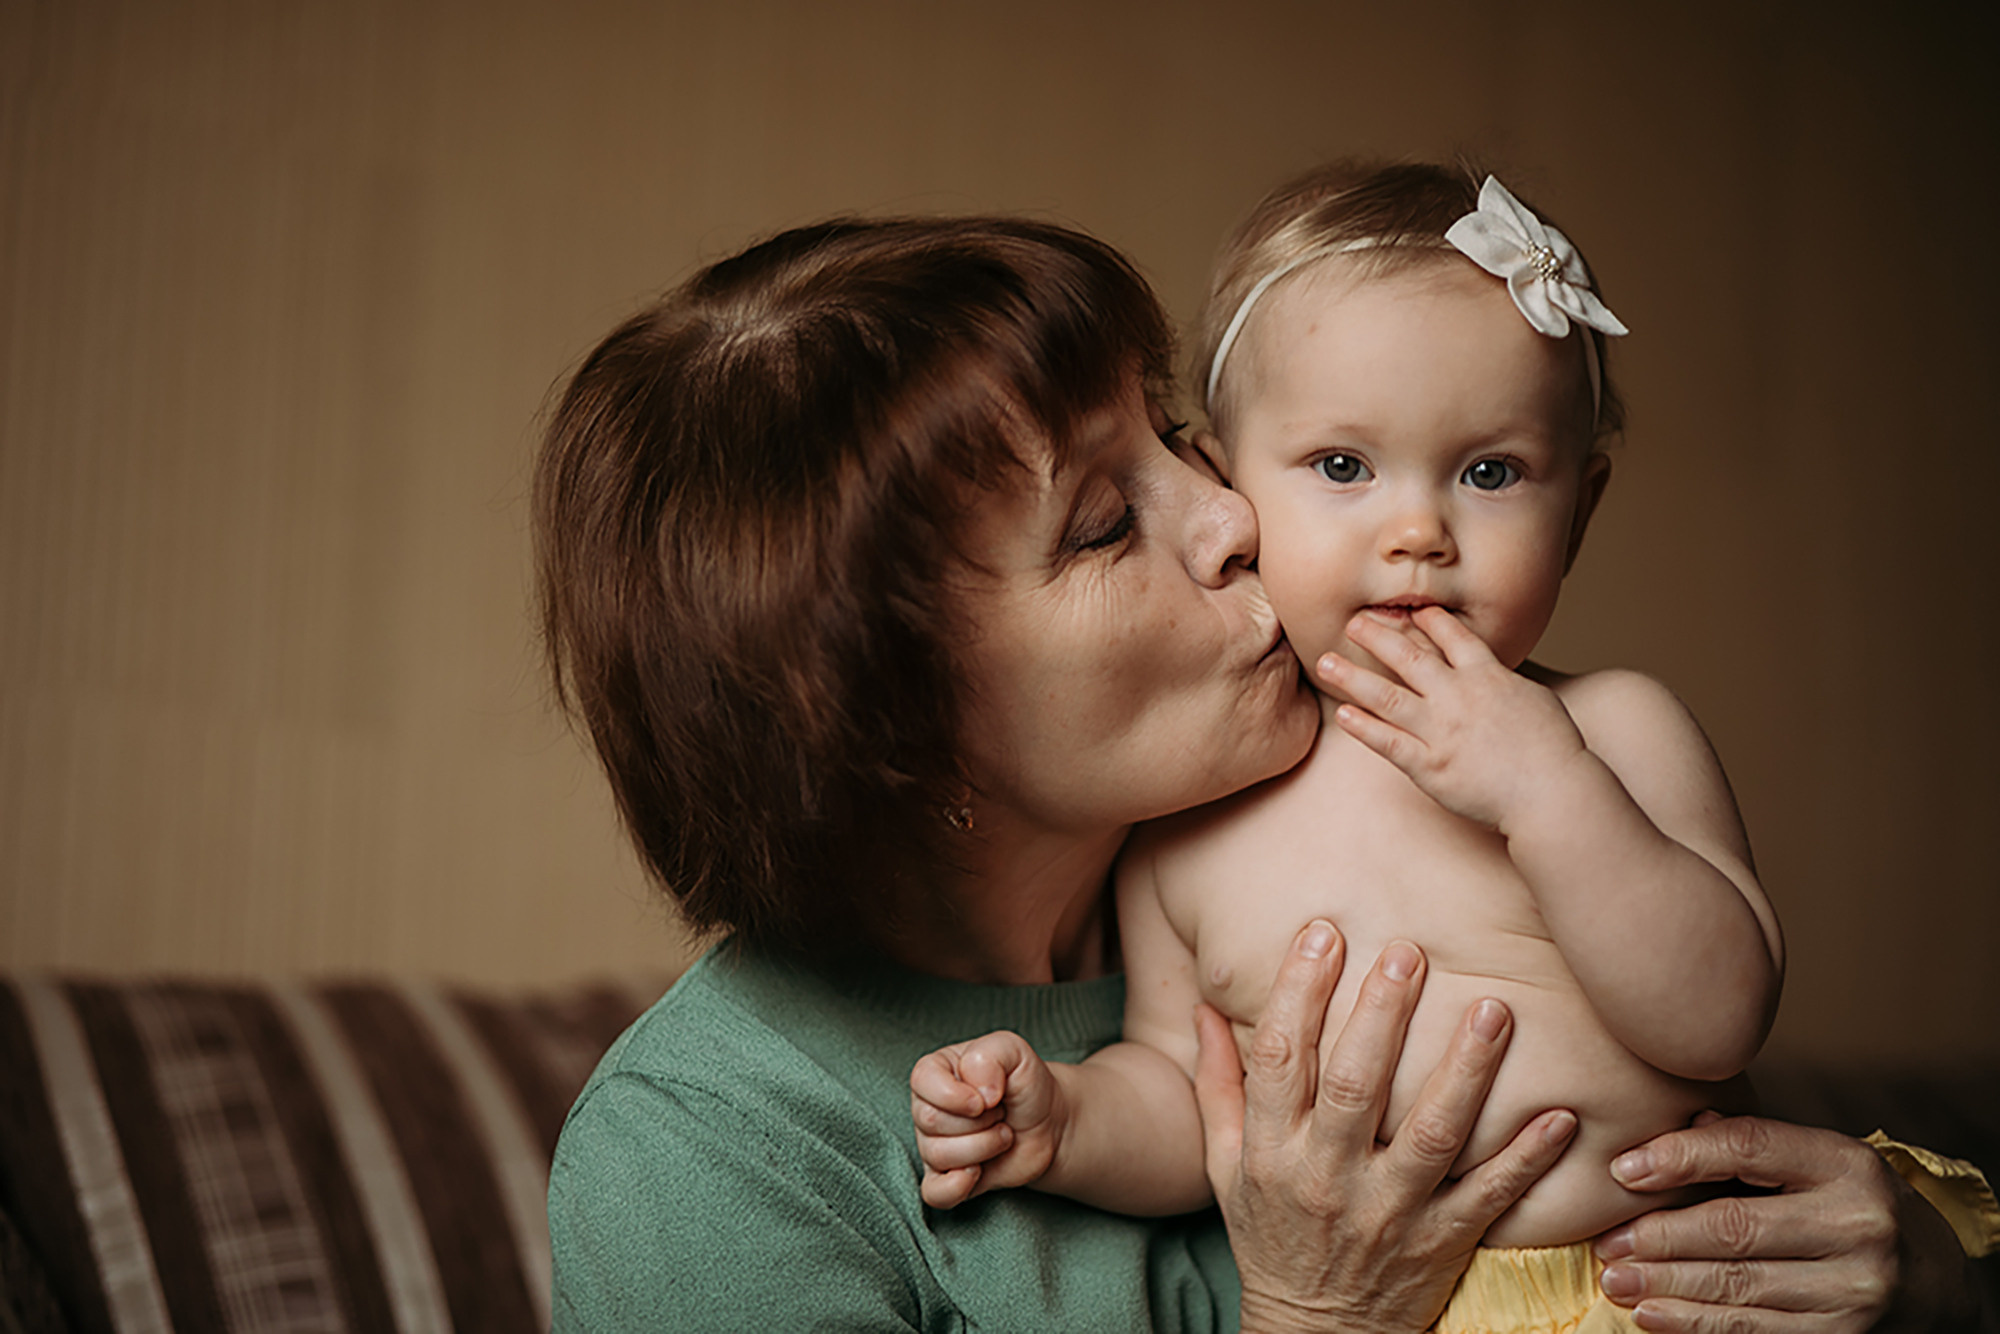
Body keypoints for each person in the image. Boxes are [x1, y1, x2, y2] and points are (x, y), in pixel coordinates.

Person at [537, 212, 1981, 1332]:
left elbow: (1667, 1104)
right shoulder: (706, 1159)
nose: (1234, 513)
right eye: (1107, 522)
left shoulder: (1363, 827)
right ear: (893, 729)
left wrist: (1914, 1273)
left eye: (1178, 438)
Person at [908, 161, 1790, 1332]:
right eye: (1342, 466)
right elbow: (1191, 1094)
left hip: (1643, 1292)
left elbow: (1721, 1014)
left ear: (1577, 511)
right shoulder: (1195, 818)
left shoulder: (1610, 729)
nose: (1416, 530)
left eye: (1489, 473)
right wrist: (1066, 1119)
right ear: (1226, 485)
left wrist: (1550, 793)